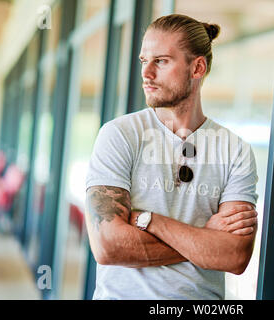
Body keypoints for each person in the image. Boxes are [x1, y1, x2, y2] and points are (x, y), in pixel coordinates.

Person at [84, 14, 259, 300]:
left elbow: (235, 255)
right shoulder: (119, 135)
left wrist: (149, 221)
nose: (146, 73)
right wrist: (204, 236)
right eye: (144, 61)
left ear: (197, 67)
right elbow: (108, 246)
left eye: (161, 61)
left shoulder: (235, 150)